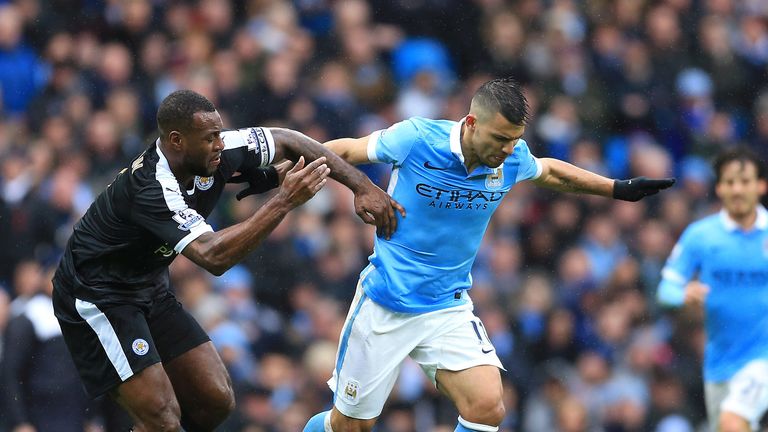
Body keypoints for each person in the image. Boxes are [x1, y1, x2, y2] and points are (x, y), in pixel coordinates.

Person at [297, 77, 675, 432]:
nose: (509, 149)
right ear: (472, 122)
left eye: (515, 139)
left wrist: (617, 188)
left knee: (487, 405)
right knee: (350, 426)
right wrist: (322, 177)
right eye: (501, 138)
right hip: (386, 302)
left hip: (447, 305)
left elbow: (550, 173)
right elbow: (346, 149)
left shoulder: (510, 158)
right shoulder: (416, 138)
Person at [51, 89, 400, 432]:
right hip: (97, 297)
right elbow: (212, 256)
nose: (220, 144)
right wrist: (283, 201)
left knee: (215, 401)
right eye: (209, 138)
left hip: (148, 285)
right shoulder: (152, 187)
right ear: (176, 141)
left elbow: (288, 139)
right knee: (161, 417)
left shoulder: (214, 150)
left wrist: (362, 186)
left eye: (219, 133)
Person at [658, 147, 768, 432]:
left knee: (732, 422)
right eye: (730, 182)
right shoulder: (701, 236)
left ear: (761, 185)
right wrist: (682, 295)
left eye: (745, 181)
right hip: (720, 363)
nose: (737, 189)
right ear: (719, 188)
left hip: (762, 358)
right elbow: (666, 287)